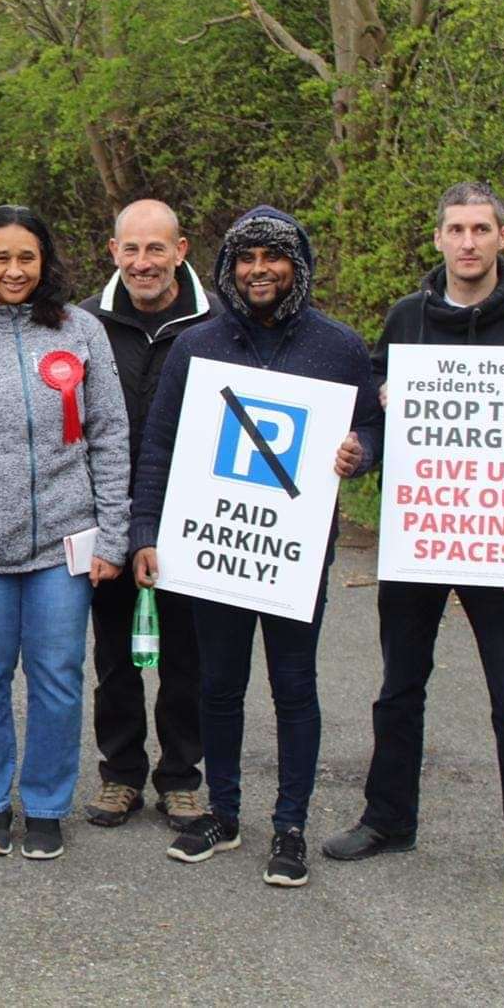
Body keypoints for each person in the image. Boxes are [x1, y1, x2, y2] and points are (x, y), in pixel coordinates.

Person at [323, 181, 504, 899]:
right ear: (437, 240)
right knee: (399, 686)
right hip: (419, 530)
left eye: (481, 229)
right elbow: (371, 402)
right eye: (455, 229)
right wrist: (375, 419)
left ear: (503, 237)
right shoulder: (406, 318)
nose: (468, 242)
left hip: (495, 532)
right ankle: (388, 818)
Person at [129, 205, 380, 888]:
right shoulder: (197, 347)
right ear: (227, 268)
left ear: (297, 265)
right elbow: (160, 445)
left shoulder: (340, 346)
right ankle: (225, 813)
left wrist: (362, 452)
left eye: (273, 257)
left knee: (295, 685)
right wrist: (146, 532)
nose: (259, 270)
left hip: (295, 552)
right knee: (220, 683)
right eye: (246, 258)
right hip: (217, 546)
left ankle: (290, 824)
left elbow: (372, 425)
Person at [0, 205, 131, 861]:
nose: (14, 270)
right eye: (1, 258)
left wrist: (113, 535)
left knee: (59, 675)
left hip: (65, 543)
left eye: (26, 257)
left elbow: (110, 436)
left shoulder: (81, 332)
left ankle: (44, 804)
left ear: (45, 262)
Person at [77, 200, 213, 831]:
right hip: (106, 514)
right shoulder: (82, 324)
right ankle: (121, 774)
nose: (143, 263)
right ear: (113, 252)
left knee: (186, 657)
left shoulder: (216, 324)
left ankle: (183, 778)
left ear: (181, 250)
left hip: (189, 520)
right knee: (115, 656)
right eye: (131, 250)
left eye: (156, 249)